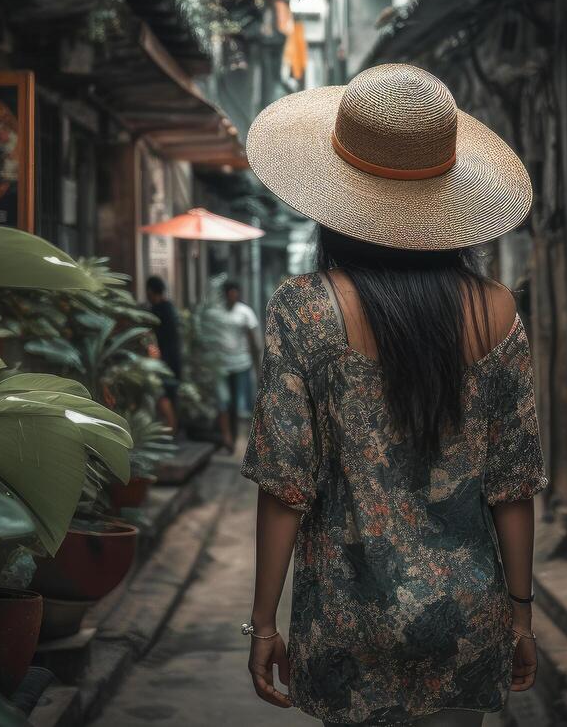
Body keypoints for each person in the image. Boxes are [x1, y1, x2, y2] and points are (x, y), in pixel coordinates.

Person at [239, 63, 545, 726]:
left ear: (337, 194)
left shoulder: (304, 310)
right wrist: (520, 617)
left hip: (347, 621)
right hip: (467, 618)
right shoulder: (496, 311)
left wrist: (263, 624)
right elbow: (512, 486)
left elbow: (284, 483)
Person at [217, 279, 260, 452]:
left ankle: (237, 437)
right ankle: (227, 437)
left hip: (242, 363)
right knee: (223, 401)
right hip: (221, 364)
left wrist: (258, 366)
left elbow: (253, 340)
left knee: (238, 403)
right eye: (229, 292)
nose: (232, 295)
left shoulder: (245, 312)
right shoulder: (218, 312)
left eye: (235, 291)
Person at [144, 276, 182, 433]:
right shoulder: (170, 308)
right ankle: (173, 430)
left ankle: (171, 430)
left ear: (150, 291)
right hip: (174, 359)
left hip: (163, 360)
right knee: (170, 395)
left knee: (162, 394)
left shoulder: (157, 311)